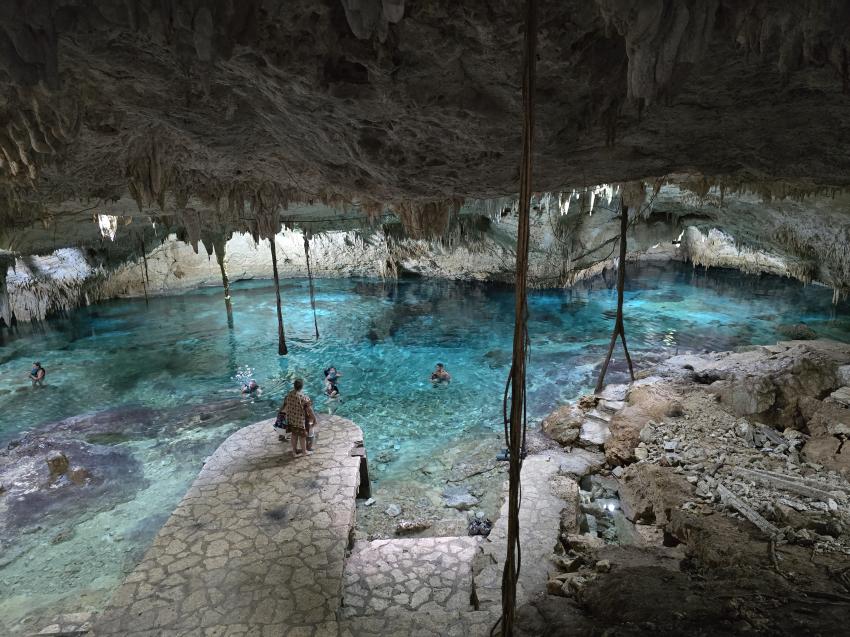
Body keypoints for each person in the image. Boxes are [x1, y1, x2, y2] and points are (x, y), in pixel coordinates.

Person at [281, 378, 316, 457]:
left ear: (294, 386)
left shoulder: (289, 394)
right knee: (302, 436)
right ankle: (304, 452)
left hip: (291, 419)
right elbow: (309, 409)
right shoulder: (303, 397)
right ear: (302, 386)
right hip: (300, 420)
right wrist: (314, 418)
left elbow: (285, 405)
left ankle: (294, 452)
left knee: (294, 435)